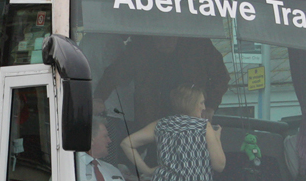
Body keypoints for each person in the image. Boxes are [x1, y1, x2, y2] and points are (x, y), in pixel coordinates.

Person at [94, 35, 230, 131]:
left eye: (170, 38)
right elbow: (114, 73)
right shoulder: (140, 48)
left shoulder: (199, 44)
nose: (165, 42)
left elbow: (221, 77)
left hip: (192, 121)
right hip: (151, 122)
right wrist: (99, 97)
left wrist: (210, 106)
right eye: (159, 38)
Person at [120, 85, 224, 181]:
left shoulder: (161, 124)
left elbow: (126, 143)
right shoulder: (203, 126)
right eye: (201, 103)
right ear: (190, 104)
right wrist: (217, 138)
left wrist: (147, 170)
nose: (204, 107)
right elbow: (219, 165)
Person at [78, 117, 129, 181]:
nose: (109, 140)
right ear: (91, 139)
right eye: (105, 136)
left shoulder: (113, 170)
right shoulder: (69, 170)